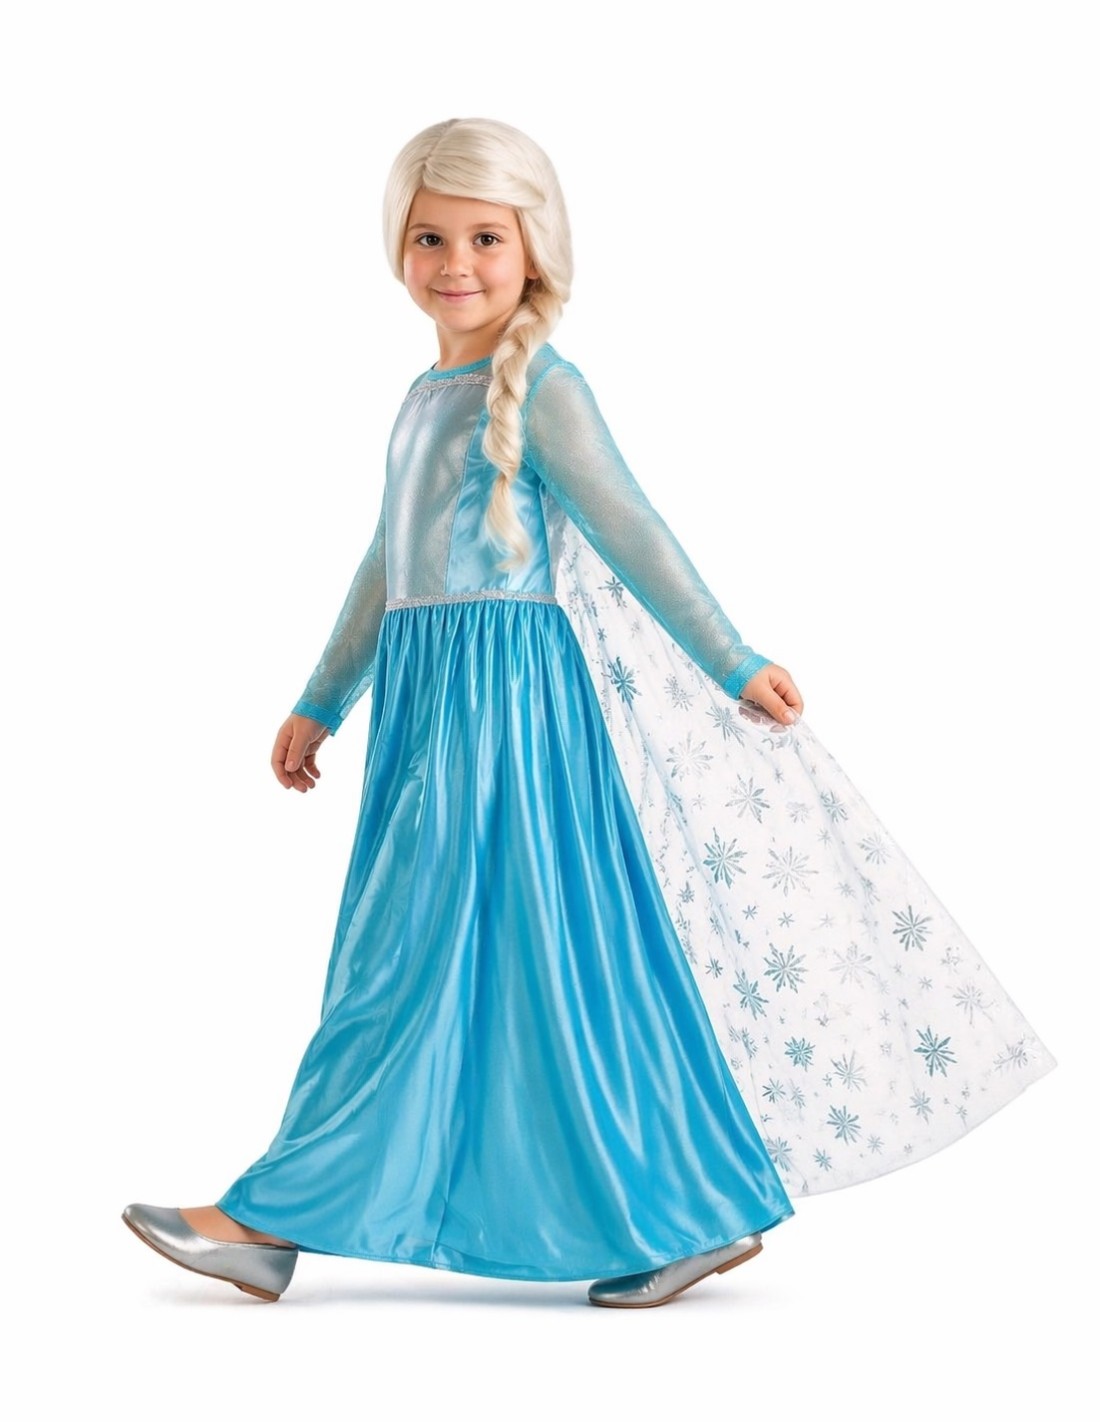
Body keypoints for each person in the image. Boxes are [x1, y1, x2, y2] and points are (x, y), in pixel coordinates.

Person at [123, 117, 1054, 1308]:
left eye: (484, 237)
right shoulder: (424, 394)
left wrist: (731, 659)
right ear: (396, 246)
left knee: (405, 959)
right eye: (429, 236)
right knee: (529, 967)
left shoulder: (546, 390)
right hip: (430, 705)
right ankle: (684, 1210)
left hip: (505, 714)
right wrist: (322, 696)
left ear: (532, 248)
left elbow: (633, 530)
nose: (454, 262)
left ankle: (268, 1217)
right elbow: (386, 563)